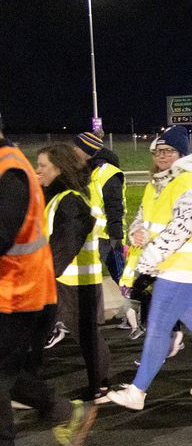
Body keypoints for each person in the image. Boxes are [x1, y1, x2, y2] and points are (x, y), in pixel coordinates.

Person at [105, 126, 192, 410]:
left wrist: (148, 260)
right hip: (175, 268)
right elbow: (142, 216)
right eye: (158, 151)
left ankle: (137, 392)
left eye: (169, 151)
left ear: (181, 154)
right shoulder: (158, 184)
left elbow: (181, 229)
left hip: (180, 268)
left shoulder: (188, 184)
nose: (162, 156)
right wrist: (136, 231)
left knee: (158, 329)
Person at [1, 130, 96, 446]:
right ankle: (63, 411)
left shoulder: (11, 173)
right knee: (6, 374)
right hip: (20, 290)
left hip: (22, 294)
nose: (40, 170)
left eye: (46, 166)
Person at [36, 144, 111, 403]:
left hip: (74, 279)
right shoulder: (63, 196)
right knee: (81, 332)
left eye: (43, 166)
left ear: (58, 168)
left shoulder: (70, 200)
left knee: (86, 334)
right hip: (67, 278)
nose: (38, 170)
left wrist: (44, 274)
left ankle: (100, 386)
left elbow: (66, 242)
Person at [73, 132, 126, 289]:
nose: (73, 150)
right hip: (90, 234)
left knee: (122, 279)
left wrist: (116, 237)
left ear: (86, 150)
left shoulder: (107, 173)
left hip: (107, 237)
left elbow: (114, 207)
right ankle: (131, 310)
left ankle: (143, 307)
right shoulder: (87, 171)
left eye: (77, 147)